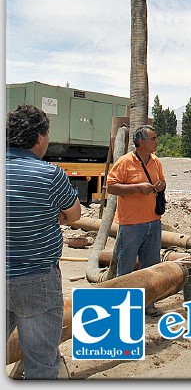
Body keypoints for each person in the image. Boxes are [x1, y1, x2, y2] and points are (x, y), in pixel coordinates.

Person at [6, 104, 82, 379]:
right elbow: (74, 214)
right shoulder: (50, 175)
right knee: (41, 365)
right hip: (37, 279)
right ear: (39, 137)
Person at [106, 124, 166, 314]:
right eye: (153, 138)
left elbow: (163, 182)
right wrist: (136, 187)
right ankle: (122, 308)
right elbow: (111, 187)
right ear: (141, 142)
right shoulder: (125, 162)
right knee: (126, 267)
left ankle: (148, 304)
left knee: (151, 266)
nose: (157, 141)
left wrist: (160, 185)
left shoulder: (155, 161)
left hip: (153, 222)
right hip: (131, 224)